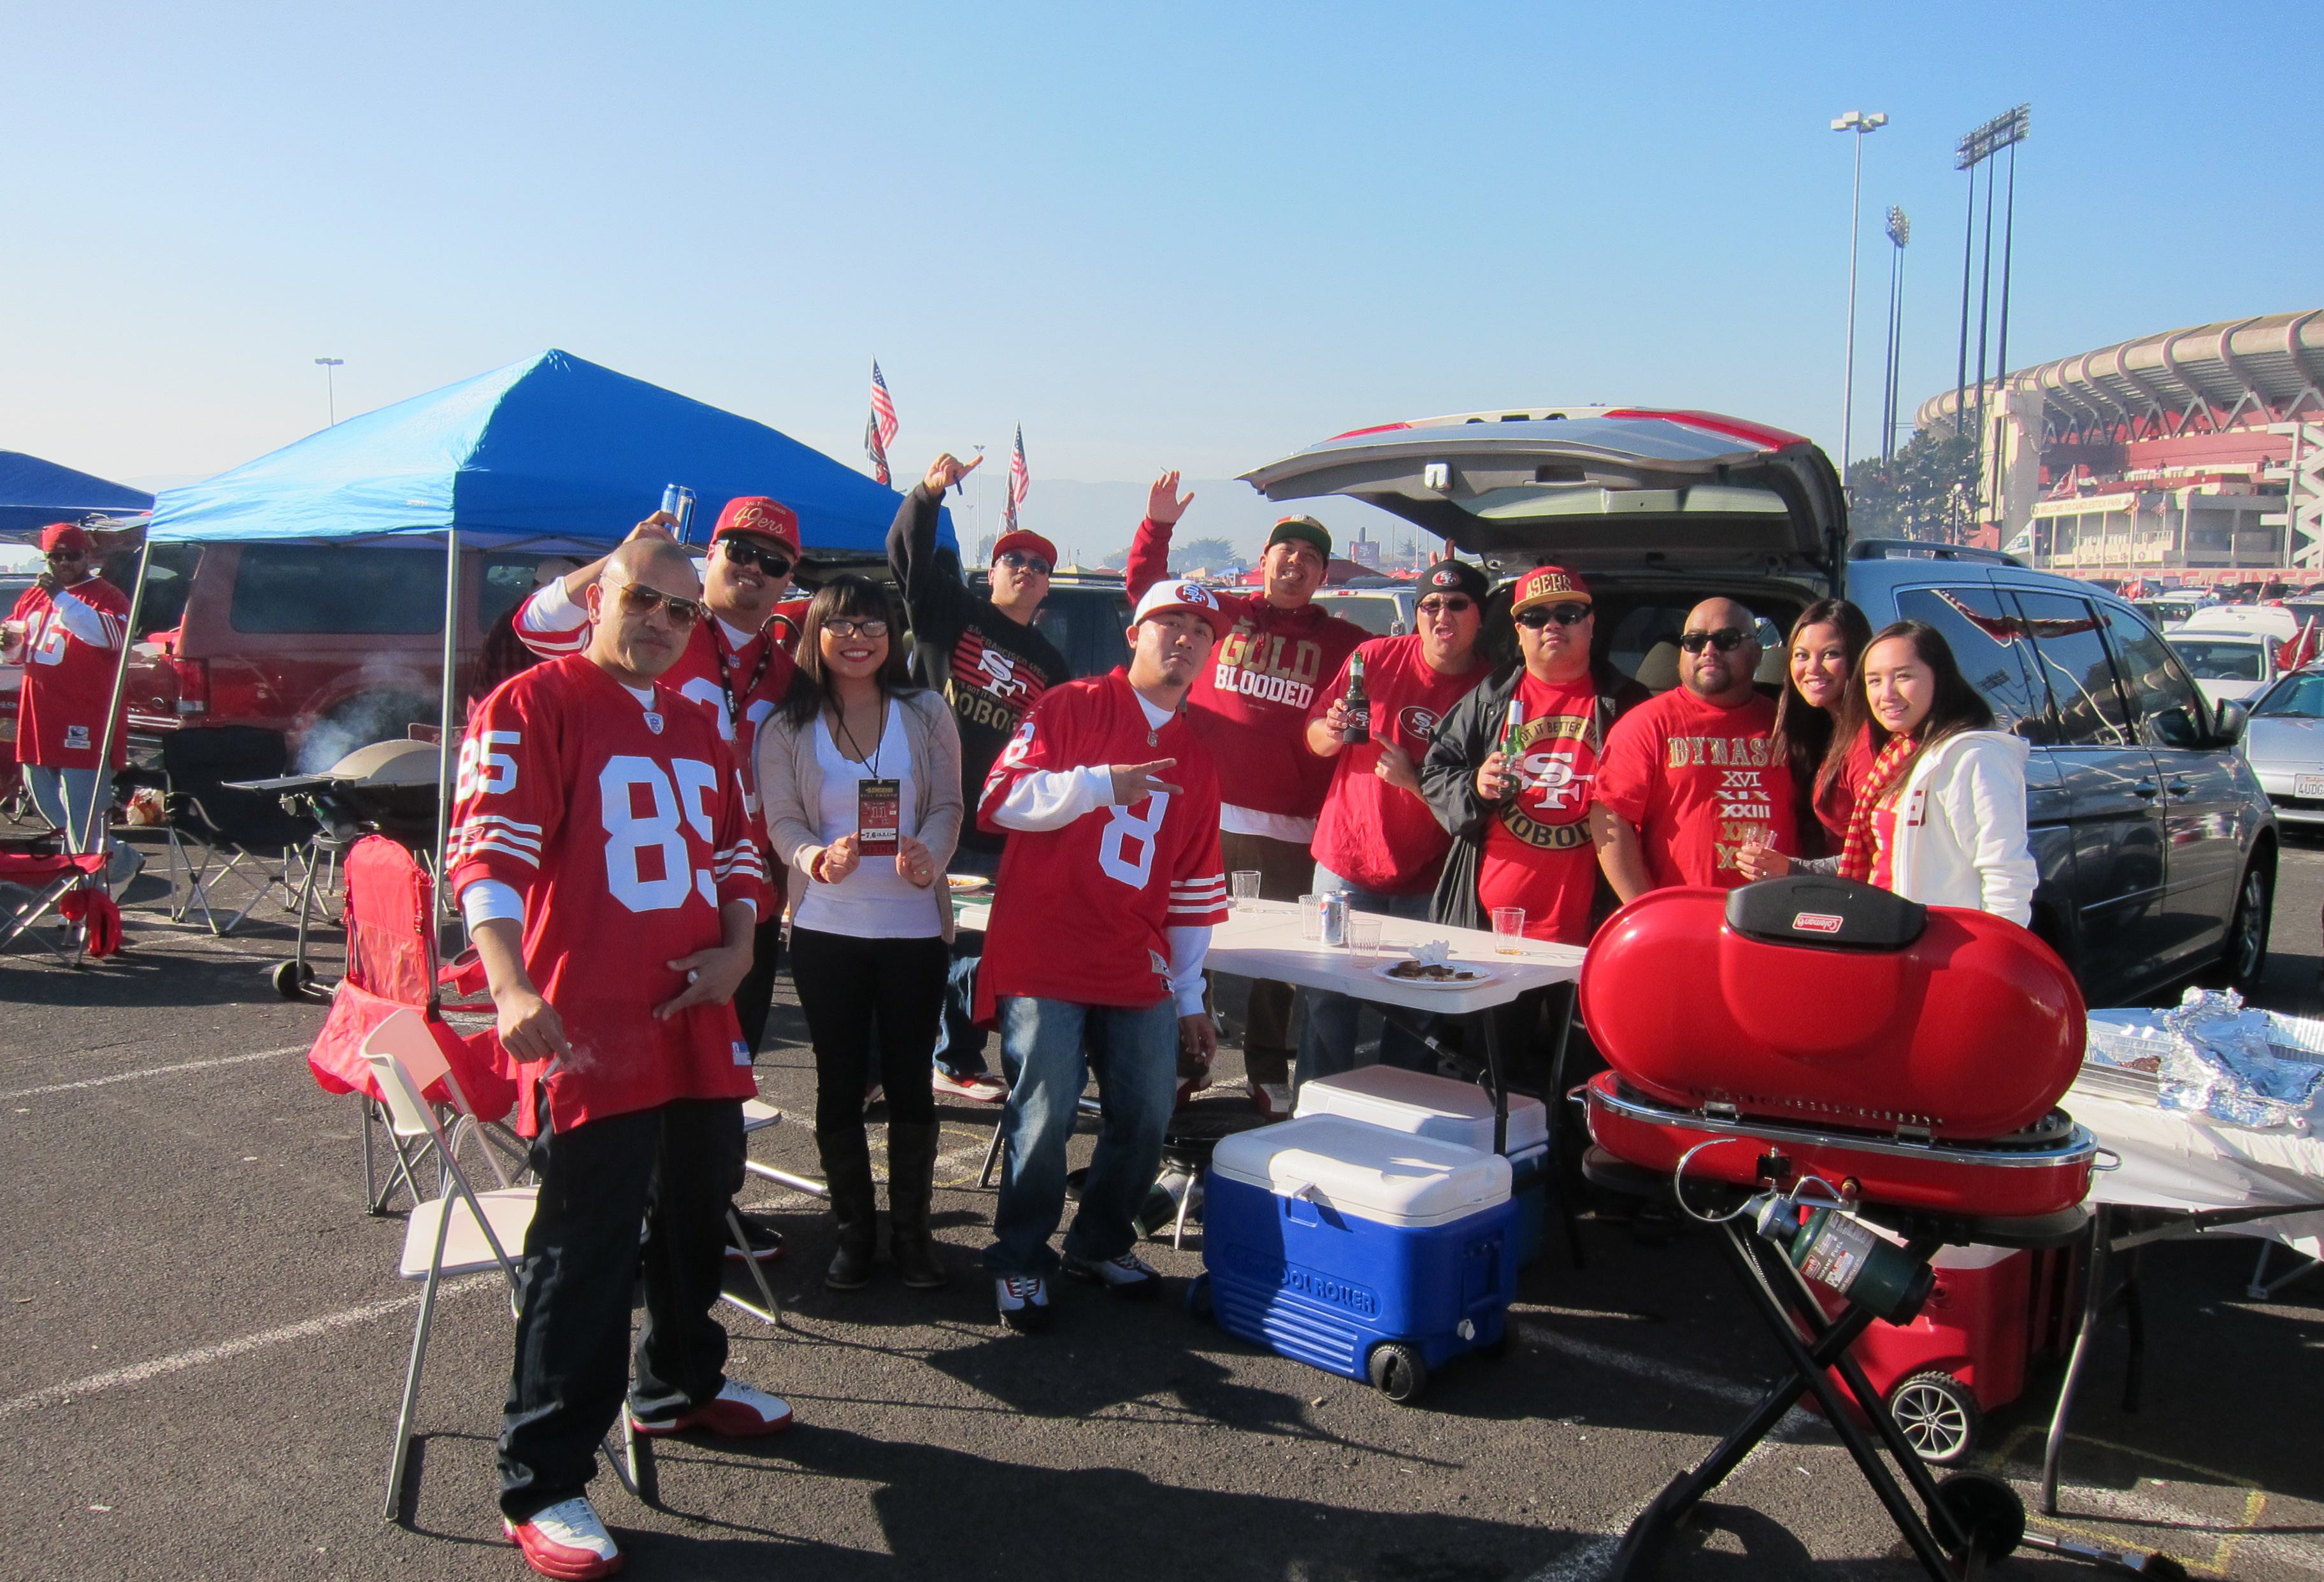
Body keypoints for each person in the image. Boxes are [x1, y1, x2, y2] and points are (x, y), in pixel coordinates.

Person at [449, 538, 789, 1582]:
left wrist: (739, 946)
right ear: (597, 597)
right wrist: (510, 984)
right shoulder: (531, 701)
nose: (661, 622)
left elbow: (735, 850)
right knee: (585, 1249)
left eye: (682, 611)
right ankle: (543, 1475)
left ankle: (678, 1387)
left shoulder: (696, 719)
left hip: (695, 1015)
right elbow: (487, 854)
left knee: (697, 1213)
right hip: (588, 1020)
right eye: (642, 599)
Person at [515, 496, 802, 1268]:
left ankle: (705, 1215)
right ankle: (594, 1248)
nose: (753, 569)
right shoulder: (654, 621)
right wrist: (622, 558)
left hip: (727, 889)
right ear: (710, 554)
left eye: (773, 561)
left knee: (712, 1087)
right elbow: (537, 625)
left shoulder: (787, 664)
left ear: (790, 578)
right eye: (738, 550)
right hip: (617, 900)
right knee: (600, 1120)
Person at [976, 578, 1231, 1330]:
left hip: (1135, 958)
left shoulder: (1199, 758)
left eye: (1200, 630)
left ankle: (1099, 1242)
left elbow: (1191, 890)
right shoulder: (1072, 705)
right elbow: (999, 799)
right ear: (1134, 633)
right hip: (1046, 949)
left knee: (1148, 1112)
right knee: (1046, 1110)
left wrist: (1191, 998)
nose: (1184, 638)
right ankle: (1021, 1257)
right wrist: (1098, 785)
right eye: (1169, 622)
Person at [1126, 476, 1367, 1117]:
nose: (1296, 564)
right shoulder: (1222, 613)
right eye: (1286, 551)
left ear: (1323, 576)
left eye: (1310, 558)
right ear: (1264, 559)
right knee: (1187, 943)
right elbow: (1149, 594)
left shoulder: (1346, 642)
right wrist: (1157, 527)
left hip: (1292, 830)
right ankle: (1186, 1063)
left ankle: (1266, 1068)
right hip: (1202, 814)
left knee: (1277, 963)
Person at [757, 576, 964, 1292]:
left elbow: (949, 805)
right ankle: (854, 1232)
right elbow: (782, 820)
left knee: (911, 1082)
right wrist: (815, 858)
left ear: (892, 636)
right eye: (840, 624)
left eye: (873, 625)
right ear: (815, 633)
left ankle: (912, 1235)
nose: (858, 638)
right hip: (827, 927)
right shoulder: (785, 725)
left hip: (914, 928)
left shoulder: (926, 710)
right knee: (839, 1080)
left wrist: (930, 854)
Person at [887, 451, 1073, 1102]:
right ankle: (884, 1067)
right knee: (901, 943)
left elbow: (1058, 748)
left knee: (973, 947)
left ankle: (955, 1058)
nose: (1026, 570)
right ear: (991, 573)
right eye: (1013, 559)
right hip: (920, 810)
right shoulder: (950, 613)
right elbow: (906, 555)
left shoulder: (1052, 665)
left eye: (1039, 566)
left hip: (992, 828)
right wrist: (928, 494)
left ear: (1047, 588)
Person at [1295, 559, 1495, 1086]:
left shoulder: (1493, 688)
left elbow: (1482, 803)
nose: (1441, 615)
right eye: (1430, 605)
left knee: (1417, 1012)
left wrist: (1415, 782)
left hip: (1430, 880)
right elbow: (1314, 740)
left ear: (1480, 615)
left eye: (1457, 605)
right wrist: (1331, 730)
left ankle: (1403, 1118)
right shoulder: (1374, 659)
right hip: (1346, 863)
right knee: (1327, 1000)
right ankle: (1311, 1111)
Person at [1739, 621, 2036, 922]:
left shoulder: (1974, 758)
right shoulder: (1900, 754)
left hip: (1941, 938)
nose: (1887, 694)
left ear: (1940, 678)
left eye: (1903, 676)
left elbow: (2007, 875)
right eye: (1875, 681)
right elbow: (1884, 857)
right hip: (1888, 930)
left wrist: (1992, 947)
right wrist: (1796, 869)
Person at [1422, 565, 1650, 944]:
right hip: (1489, 932)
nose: (1552, 625)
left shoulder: (1630, 704)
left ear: (1590, 623)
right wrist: (1475, 785)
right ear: (1519, 630)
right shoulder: (1488, 700)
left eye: (1568, 614)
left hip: (1596, 932)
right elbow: (1434, 774)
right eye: (1535, 617)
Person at [1590, 595, 1795, 900]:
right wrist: (1646, 908)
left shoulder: (1789, 725)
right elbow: (1608, 819)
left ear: (1757, 653)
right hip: (1683, 916)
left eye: (1727, 640)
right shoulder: (1646, 724)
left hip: (1776, 913)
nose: (1709, 650)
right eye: (1695, 641)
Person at [4, 523, 137, 885]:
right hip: (39, 713)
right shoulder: (32, 597)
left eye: (72, 556)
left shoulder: (107, 596)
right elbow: (19, 649)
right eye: (55, 557)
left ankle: (92, 888)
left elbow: (111, 638)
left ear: (87, 556)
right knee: (44, 798)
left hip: (84, 716)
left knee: (84, 812)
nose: (64, 563)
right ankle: (120, 860)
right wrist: (8, 643)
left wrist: (62, 599)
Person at [1767, 598, 1874, 857]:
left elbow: (1881, 852)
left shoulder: (1866, 743)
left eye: (1831, 654)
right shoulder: (1822, 731)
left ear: (1858, 657)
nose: (1813, 668)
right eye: (1801, 655)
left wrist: (1794, 868)